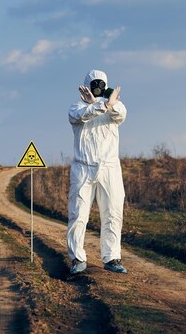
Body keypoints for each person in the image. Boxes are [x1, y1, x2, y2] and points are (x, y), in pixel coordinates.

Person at [67, 69, 128, 274]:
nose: (98, 88)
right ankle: (77, 258)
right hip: (83, 168)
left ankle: (111, 257)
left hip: (109, 168)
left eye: (102, 84)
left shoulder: (114, 106)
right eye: (95, 84)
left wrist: (107, 102)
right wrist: (98, 103)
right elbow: (83, 115)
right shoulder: (77, 107)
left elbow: (120, 114)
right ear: (87, 85)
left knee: (112, 213)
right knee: (78, 214)